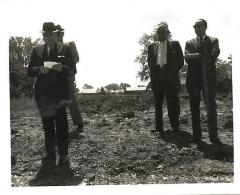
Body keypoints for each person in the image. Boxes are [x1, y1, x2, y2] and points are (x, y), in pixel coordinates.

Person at [28, 22, 75, 170]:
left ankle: (63, 155)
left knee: (61, 126)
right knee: (47, 127)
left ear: (56, 35)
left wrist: (63, 68)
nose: (48, 37)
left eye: (51, 34)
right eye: (45, 34)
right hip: (43, 95)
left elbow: (72, 69)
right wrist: (39, 69)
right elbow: (30, 70)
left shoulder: (65, 49)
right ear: (43, 35)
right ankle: (50, 155)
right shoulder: (37, 50)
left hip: (60, 94)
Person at [185, 19, 222, 144]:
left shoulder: (213, 40)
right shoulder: (189, 42)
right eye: (194, 26)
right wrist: (200, 56)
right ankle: (197, 135)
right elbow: (187, 57)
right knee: (194, 107)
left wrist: (196, 56)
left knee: (211, 107)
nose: (195, 28)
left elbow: (214, 54)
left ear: (205, 27)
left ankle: (213, 136)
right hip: (193, 80)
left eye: (198, 26)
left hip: (208, 79)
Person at [147, 22, 184, 138]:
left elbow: (180, 61)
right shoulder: (151, 46)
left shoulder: (175, 44)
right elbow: (150, 62)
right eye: (159, 32)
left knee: (172, 103)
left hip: (170, 79)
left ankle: (175, 126)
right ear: (156, 34)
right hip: (157, 79)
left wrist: (172, 73)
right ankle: (159, 127)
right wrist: (154, 77)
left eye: (163, 32)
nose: (161, 34)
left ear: (167, 33)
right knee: (158, 104)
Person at [55, 24, 84, 133]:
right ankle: (62, 126)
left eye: (60, 33)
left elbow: (76, 59)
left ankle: (79, 123)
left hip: (68, 76)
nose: (59, 35)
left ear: (63, 33)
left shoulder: (70, 45)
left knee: (71, 100)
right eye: (56, 33)